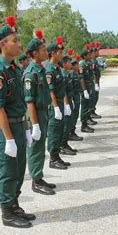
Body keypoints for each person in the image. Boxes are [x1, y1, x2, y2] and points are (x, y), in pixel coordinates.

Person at [0, 15, 35, 228]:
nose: (19, 44)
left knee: (18, 169)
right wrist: (8, 139)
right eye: (14, 40)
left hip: (18, 124)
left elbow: (19, 104)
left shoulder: (15, 69)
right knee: (8, 171)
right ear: (2, 44)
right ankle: (7, 212)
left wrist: (25, 128)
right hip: (7, 128)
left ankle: (14, 205)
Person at [23, 29, 57, 195]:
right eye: (43, 50)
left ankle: (39, 176)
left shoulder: (40, 69)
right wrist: (34, 124)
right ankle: (35, 181)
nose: (46, 52)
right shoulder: (31, 73)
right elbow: (29, 101)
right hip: (35, 114)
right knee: (36, 149)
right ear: (35, 53)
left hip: (43, 112)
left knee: (40, 147)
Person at [45, 36, 71, 170]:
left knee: (59, 129)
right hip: (53, 104)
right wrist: (55, 107)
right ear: (53, 53)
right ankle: (53, 158)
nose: (62, 55)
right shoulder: (49, 69)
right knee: (54, 131)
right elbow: (51, 91)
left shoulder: (57, 68)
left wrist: (65, 104)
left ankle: (57, 155)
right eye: (60, 52)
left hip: (60, 102)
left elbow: (62, 88)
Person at [60, 49, 78, 156]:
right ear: (64, 64)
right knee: (66, 125)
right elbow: (63, 91)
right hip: (65, 102)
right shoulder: (63, 74)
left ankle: (65, 143)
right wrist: (66, 104)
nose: (70, 64)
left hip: (70, 100)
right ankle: (62, 145)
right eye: (68, 62)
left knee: (69, 123)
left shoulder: (66, 73)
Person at [79, 44, 95, 133]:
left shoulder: (87, 63)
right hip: (85, 88)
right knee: (84, 107)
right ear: (84, 56)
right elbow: (81, 78)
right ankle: (83, 125)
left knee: (87, 105)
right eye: (88, 55)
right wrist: (84, 90)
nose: (90, 56)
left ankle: (86, 123)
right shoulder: (82, 64)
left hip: (88, 87)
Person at [68, 54, 84, 142]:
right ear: (73, 66)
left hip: (76, 96)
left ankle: (72, 131)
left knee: (75, 115)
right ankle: (71, 133)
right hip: (73, 97)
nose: (78, 66)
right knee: (73, 116)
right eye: (77, 65)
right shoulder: (71, 74)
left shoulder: (75, 73)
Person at [90, 41, 102, 119]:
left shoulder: (95, 60)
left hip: (96, 80)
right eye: (97, 51)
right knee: (94, 97)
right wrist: (95, 84)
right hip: (94, 81)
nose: (98, 52)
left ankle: (92, 111)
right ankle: (91, 112)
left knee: (96, 96)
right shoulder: (93, 61)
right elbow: (93, 73)